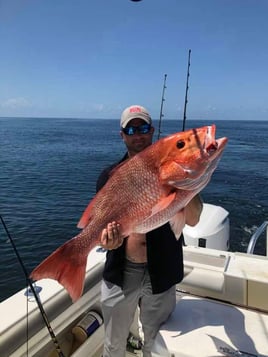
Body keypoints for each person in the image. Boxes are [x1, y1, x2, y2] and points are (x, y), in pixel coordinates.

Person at [96, 105, 203, 357]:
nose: (138, 134)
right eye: (131, 129)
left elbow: (195, 220)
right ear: (122, 134)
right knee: (113, 344)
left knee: (156, 344)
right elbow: (103, 228)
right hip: (121, 270)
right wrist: (108, 241)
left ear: (152, 131)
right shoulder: (109, 177)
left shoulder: (175, 169)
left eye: (143, 128)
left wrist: (187, 186)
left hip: (162, 269)